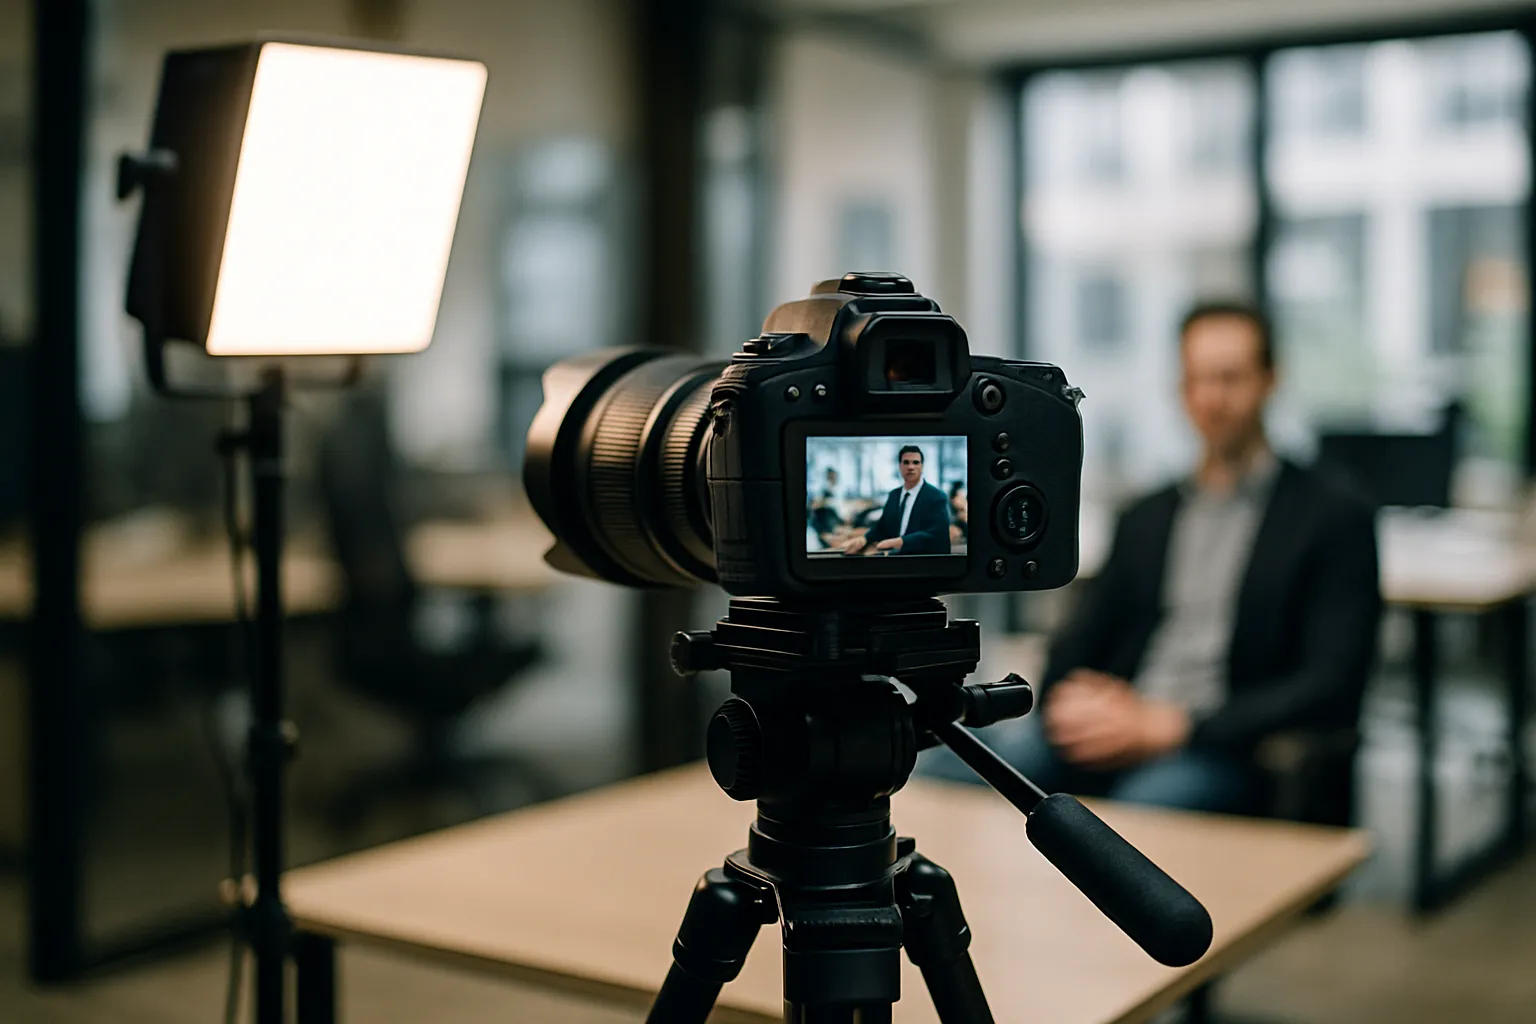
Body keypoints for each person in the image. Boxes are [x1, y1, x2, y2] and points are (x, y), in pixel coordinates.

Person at [923, 300, 1381, 815]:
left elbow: (1331, 683)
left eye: (1230, 378)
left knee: (1139, 812)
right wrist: (1078, 700)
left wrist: (1177, 724)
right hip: (1122, 721)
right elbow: (1081, 638)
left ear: (1269, 381)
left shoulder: (1331, 515)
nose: (1211, 398)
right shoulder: (1148, 514)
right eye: (1196, 379)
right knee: (945, 770)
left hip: (1221, 744)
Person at [841, 445, 952, 556]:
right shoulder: (894, 495)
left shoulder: (936, 497)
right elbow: (882, 526)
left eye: (916, 462)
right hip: (894, 558)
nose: (911, 467)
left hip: (922, 560)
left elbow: (937, 533)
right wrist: (864, 539)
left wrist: (900, 541)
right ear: (900, 466)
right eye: (906, 462)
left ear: (922, 467)